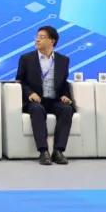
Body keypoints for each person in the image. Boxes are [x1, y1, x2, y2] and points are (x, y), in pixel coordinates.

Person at [15, 25, 75, 166]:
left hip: (54, 100)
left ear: (52, 41)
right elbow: (20, 81)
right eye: (37, 37)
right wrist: (30, 93)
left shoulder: (63, 60)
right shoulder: (26, 58)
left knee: (67, 109)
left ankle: (58, 151)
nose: (37, 40)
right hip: (35, 100)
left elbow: (64, 82)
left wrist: (66, 95)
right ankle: (43, 151)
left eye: (42, 37)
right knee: (37, 109)